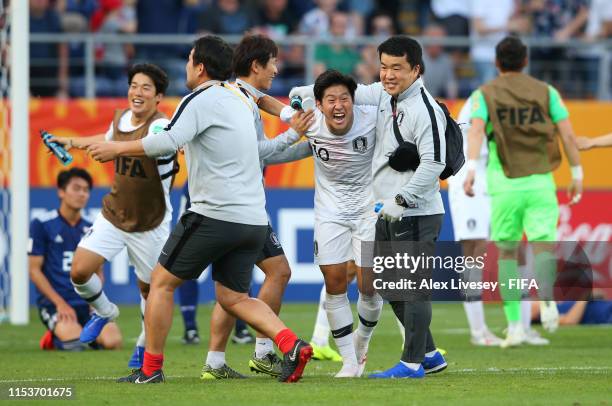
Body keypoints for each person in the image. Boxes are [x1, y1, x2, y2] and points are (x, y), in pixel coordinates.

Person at [87, 35, 313, 384]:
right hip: (253, 219)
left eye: (190, 60)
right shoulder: (240, 99)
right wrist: (292, 129)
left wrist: (116, 148)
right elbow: (259, 147)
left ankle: (149, 371)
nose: (187, 66)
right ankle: (291, 343)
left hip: (213, 214)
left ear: (201, 67)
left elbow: (167, 141)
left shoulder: (199, 98)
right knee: (234, 296)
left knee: (160, 284)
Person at [289, 36, 449, 379]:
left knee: (409, 286)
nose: (388, 74)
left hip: (415, 209)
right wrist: (298, 98)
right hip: (387, 209)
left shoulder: (424, 107)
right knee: (391, 285)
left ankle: (412, 364)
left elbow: (436, 162)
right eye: (384, 66)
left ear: (416, 70)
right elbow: (336, 92)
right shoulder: (382, 95)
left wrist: (402, 199)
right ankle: (431, 354)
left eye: (397, 68)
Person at [200, 34, 313, 380]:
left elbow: (265, 146)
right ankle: (263, 351)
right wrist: (297, 136)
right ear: (256, 65)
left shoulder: (243, 97)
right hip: (237, 206)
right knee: (266, 277)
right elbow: (258, 152)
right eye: (273, 62)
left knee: (236, 289)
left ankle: (217, 362)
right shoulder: (239, 102)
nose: (277, 69)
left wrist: (308, 145)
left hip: (233, 203)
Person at [50, 63, 175, 369]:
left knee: (150, 290)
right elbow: (106, 139)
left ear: (158, 97)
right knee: (79, 271)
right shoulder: (121, 118)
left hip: (151, 222)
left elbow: (149, 147)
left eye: (146, 87)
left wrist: (115, 149)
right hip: (115, 213)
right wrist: (70, 142)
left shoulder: (162, 125)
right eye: (134, 85)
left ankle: (144, 345)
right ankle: (105, 312)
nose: (137, 92)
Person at [464, 36, 583, 347]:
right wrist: (577, 172)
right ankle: (546, 298)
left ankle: (515, 324)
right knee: (543, 245)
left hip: (504, 183)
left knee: (506, 252)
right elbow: (568, 136)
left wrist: (472, 168)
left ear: (496, 62)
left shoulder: (484, 94)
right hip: (541, 180)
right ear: (526, 60)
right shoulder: (547, 92)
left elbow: (476, 130)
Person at [268, 69, 384, 377]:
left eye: (344, 98)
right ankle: (348, 361)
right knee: (334, 283)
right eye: (330, 99)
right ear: (318, 104)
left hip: (368, 210)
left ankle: (363, 339)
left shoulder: (371, 117)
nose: (338, 105)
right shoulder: (310, 121)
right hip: (329, 212)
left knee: (368, 286)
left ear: (354, 100)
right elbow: (286, 96)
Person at [29, 168, 122, 351]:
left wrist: (96, 303)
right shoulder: (42, 224)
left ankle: (85, 332)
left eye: (86, 190)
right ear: (61, 192)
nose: (82, 194)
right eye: (76, 188)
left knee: (113, 342)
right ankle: (52, 336)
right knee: (74, 344)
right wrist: (60, 304)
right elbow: (34, 270)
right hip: (57, 305)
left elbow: (98, 272)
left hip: (86, 303)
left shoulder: (91, 228)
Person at [447, 98, 502, 347]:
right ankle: (478, 330)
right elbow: (474, 133)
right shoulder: (481, 100)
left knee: (479, 249)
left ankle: (480, 329)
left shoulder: (496, 99)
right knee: (473, 250)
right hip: (467, 176)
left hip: (485, 176)